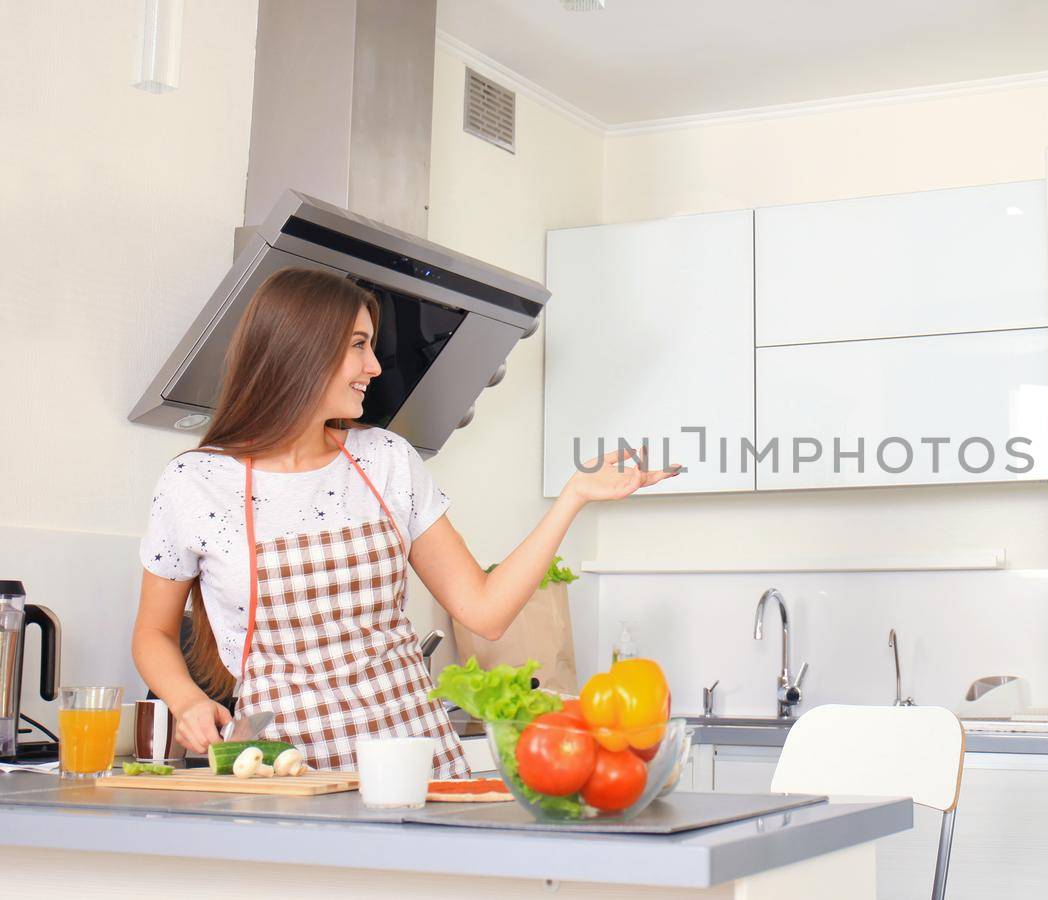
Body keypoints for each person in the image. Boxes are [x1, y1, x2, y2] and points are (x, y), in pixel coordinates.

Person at [132, 268, 678, 777]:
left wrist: (572, 498)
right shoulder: (195, 483)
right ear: (301, 349)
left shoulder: (385, 460)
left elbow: (485, 612)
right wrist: (186, 701)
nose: (374, 365)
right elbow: (153, 633)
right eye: (357, 346)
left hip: (414, 758)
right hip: (283, 769)